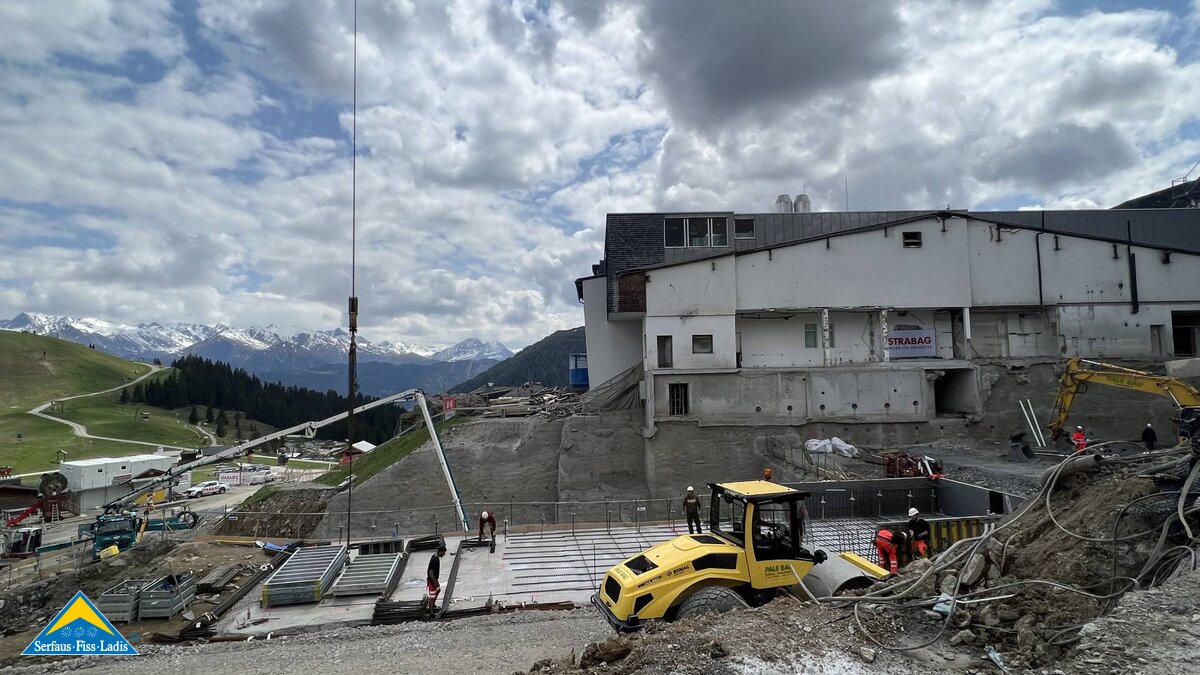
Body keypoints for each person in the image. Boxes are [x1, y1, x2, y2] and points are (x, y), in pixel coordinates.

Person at [426, 544, 447, 618]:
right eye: (443, 553)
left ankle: (433, 605)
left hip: (434, 580)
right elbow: (430, 573)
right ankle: (431, 613)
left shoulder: (435, 557)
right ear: (440, 552)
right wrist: (435, 582)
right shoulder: (435, 560)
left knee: (438, 591)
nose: (444, 555)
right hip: (432, 581)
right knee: (432, 596)